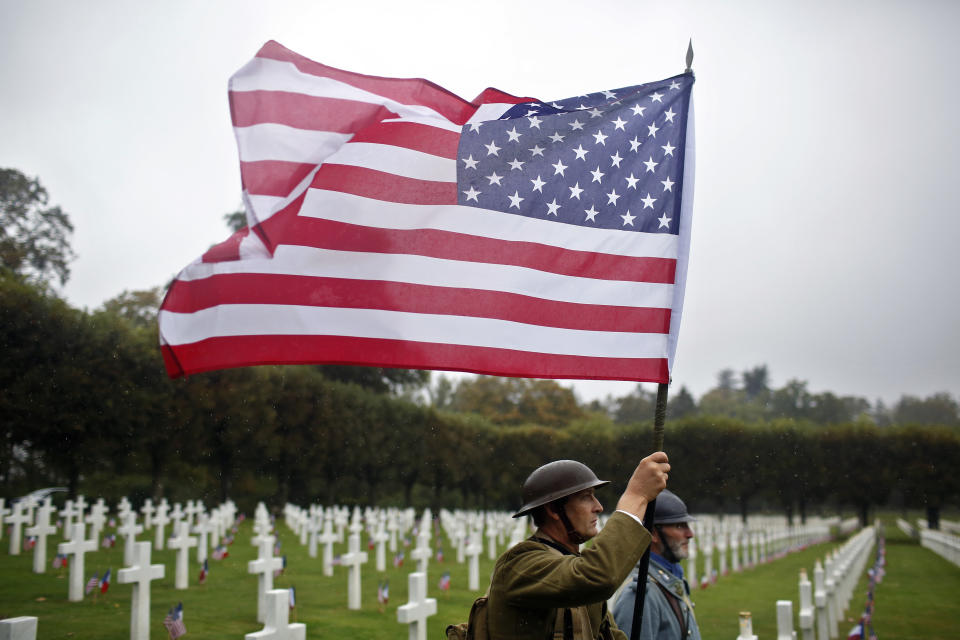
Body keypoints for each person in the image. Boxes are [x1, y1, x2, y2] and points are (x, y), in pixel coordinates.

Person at [486, 452, 670, 640]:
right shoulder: (520, 564)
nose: (598, 507)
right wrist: (636, 496)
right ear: (553, 510)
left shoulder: (572, 568)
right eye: (586, 497)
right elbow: (599, 576)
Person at [612, 489, 702, 640]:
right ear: (652, 533)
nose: (690, 534)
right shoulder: (640, 594)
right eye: (679, 526)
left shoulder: (668, 579)